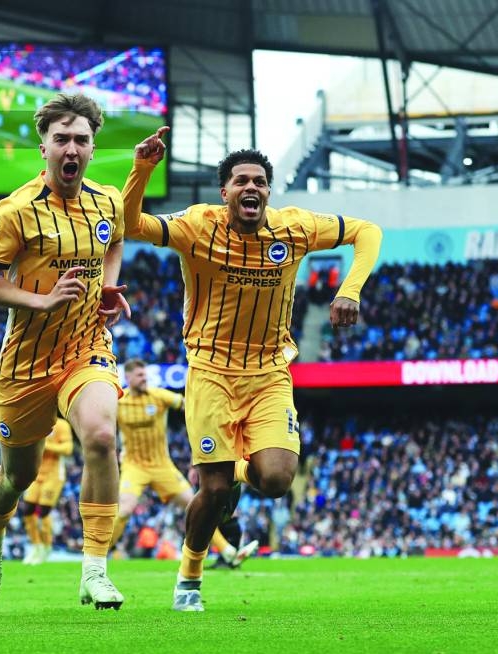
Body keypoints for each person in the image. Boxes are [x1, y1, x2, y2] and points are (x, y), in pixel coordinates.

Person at [123, 128, 383, 611]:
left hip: (268, 373)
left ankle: (240, 472)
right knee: (213, 490)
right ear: (225, 193)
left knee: (279, 479)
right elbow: (131, 223)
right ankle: (190, 578)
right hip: (210, 372)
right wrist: (142, 170)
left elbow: (368, 231)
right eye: (241, 180)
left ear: (267, 190)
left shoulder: (295, 227)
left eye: (260, 181)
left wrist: (350, 288)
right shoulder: (197, 226)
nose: (252, 188)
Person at [0, 92, 131, 610]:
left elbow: (116, 241)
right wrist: (41, 299)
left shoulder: (107, 201)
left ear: (92, 148)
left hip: (87, 350)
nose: (72, 148)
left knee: (102, 436)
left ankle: (94, 570)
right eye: (62, 138)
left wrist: (107, 286)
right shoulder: (13, 211)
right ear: (44, 147)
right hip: (27, 365)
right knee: (18, 477)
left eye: (81, 139)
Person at [110, 359, 258, 567]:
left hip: (163, 467)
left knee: (197, 505)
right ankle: (99, 555)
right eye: (140, 376)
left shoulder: (160, 396)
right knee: (125, 509)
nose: (144, 379)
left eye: (145, 375)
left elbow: (189, 408)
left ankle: (228, 552)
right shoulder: (119, 401)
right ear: (128, 378)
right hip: (134, 467)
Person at [20, 416, 75, 565]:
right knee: (27, 509)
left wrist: (45, 445)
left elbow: (68, 448)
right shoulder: (35, 422)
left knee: (44, 510)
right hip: (36, 473)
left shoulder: (61, 425)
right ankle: (36, 545)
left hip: (54, 474)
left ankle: (47, 546)